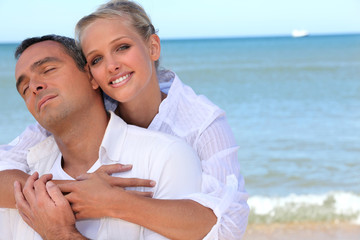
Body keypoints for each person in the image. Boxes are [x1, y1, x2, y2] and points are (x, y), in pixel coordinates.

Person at [0, 0, 249, 239]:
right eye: (96, 59)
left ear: (152, 47)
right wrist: (69, 195)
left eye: (122, 47)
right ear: (91, 76)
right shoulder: (86, 109)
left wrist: (113, 202)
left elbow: (227, 225)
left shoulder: (200, 124)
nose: (111, 66)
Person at [0, 35, 204, 240]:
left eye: (48, 70)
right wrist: (71, 193)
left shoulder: (165, 158)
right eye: (24, 88)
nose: (35, 86)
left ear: (91, 76)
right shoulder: (23, 184)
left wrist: (61, 233)